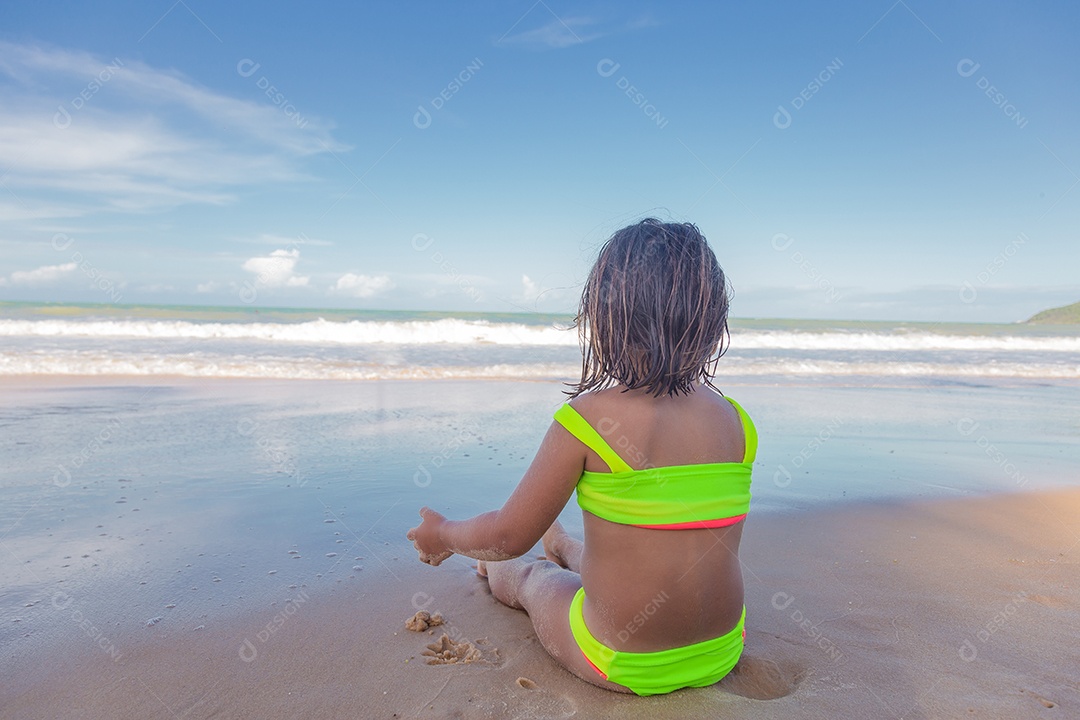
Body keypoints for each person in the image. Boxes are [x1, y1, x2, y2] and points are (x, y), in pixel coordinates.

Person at [406, 218, 756, 696]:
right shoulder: (736, 422)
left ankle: (544, 563)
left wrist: (443, 533)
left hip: (619, 660)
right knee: (634, 547)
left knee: (531, 575)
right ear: (712, 321)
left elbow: (507, 536)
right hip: (722, 649)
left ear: (604, 317)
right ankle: (569, 548)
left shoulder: (589, 420)